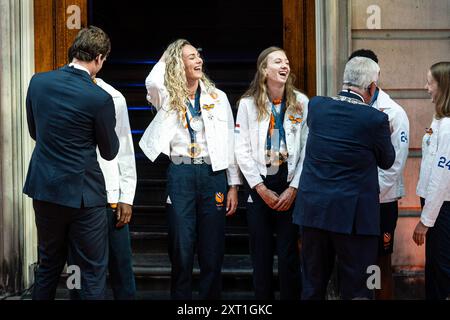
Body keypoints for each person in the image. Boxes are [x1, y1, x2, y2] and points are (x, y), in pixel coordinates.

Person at [139, 39, 242, 300]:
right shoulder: (168, 96)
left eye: (199, 56)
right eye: (191, 57)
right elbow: (151, 81)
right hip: (181, 173)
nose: (199, 61)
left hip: (212, 174)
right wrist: (169, 51)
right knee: (182, 248)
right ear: (177, 63)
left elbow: (229, 141)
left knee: (212, 249)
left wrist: (233, 185)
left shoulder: (218, 97)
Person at [23, 26, 119, 300]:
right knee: (90, 271)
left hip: (45, 191)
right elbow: (110, 151)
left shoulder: (38, 82)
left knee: (48, 265)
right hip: (83, 198)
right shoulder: (100, 98)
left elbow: (35, 132)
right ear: (99, 58)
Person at [292, 57, 395, 300]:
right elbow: (387, 160)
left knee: (312, 287)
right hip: (354, 218)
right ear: (371, 87)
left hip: (314, 212)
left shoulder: (316, 106)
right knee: (360, 289)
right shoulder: (375, 119)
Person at [234, 47, 307, 300]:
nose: (285, 65)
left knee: (288, 255)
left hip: (288, 180)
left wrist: (294, 188)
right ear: (264, 70)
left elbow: (308, 149)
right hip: (259, 182)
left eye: (287, 61)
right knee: (261, 256)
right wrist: (260, 188)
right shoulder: (247, 104)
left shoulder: (301, 102)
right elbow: (241, 149)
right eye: (278, 62)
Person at [68, 74, 137, 299]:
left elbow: (125, 148)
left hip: (110, 198)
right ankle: (75, 298)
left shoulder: (114, 97)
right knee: (75, 267)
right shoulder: (63, 93)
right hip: (76, 198)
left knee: (121, 266)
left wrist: (127, 196)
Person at [349, 49, 410, 300]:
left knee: (379, 264)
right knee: (355, 263)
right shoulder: (344, 108)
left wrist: (369, 195)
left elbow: (394, 166)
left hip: (380, 203)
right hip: (351, 202)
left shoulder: (393, 112)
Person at [413, 61, 450, 300]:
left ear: (443, 86)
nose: (426, 88)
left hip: (442, 208)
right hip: (435, 206)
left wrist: (425, 221)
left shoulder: (447, 127)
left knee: (443, 271)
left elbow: (441, 176)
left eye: (430, 83)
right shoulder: (439, 120)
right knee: (435, 269)